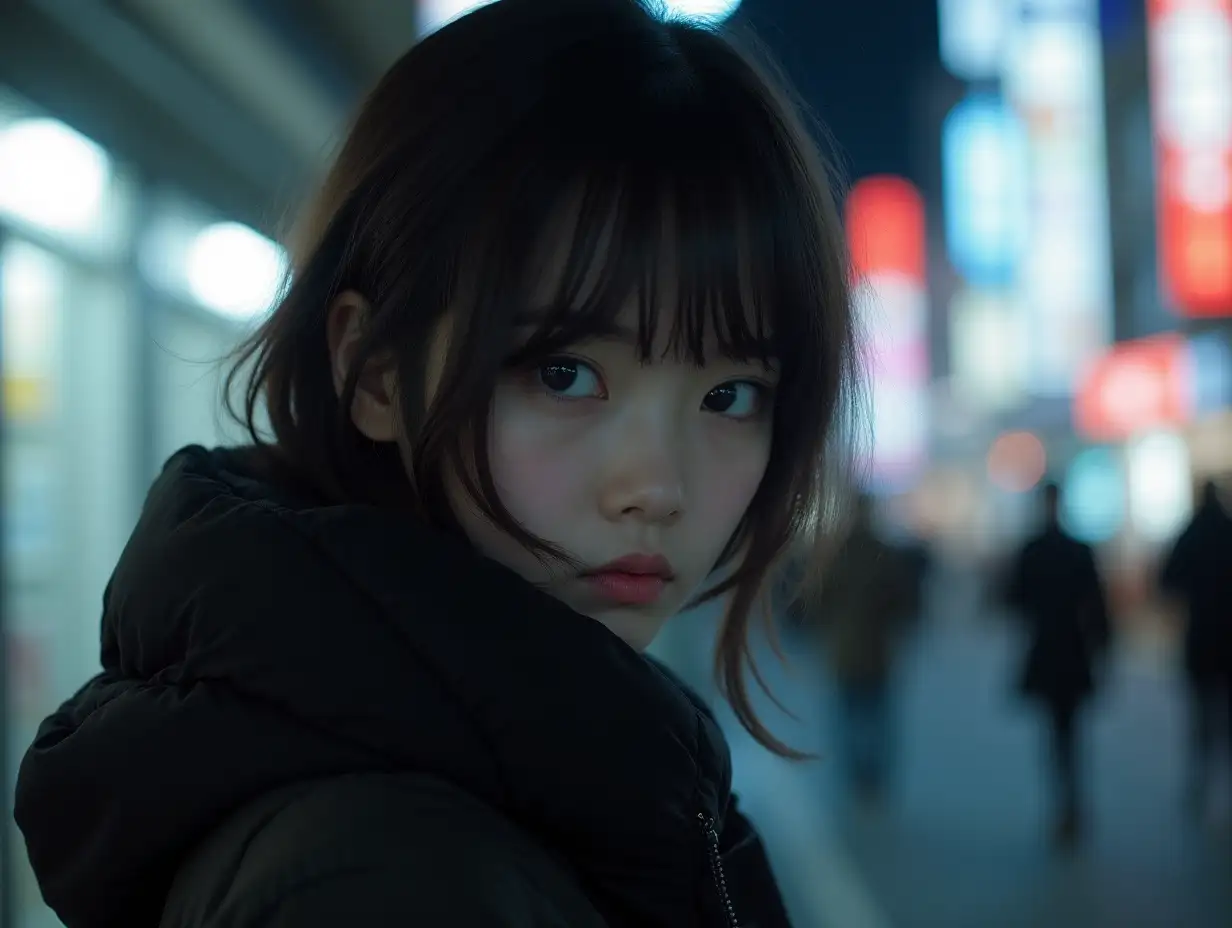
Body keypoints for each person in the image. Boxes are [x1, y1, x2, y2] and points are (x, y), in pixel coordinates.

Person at [14, 1, 860, 926]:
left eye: (730, 396)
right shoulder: (393, 879)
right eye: (566, 374)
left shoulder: (555, 767)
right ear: (374, 370)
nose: (657, 488)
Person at [1006, 481, 1111, 849]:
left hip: (1048, 651)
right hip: (1073, 651)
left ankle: (1064, 805)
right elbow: (1098, 607)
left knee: (1057, 732)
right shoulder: (1078, 550)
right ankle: (1070, 803)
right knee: (1069, 732)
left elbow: (1013, 600)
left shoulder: (1032, 551)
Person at [802, 494, 916, 806]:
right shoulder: (883, 554)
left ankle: (857, 775)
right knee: (875, 715)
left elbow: (816, 603)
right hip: (876, 648)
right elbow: (903, 602)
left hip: (845, 648)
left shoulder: (835, 554)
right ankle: (872, 776)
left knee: (850, 714)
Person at [1159, 479, 1232, 818]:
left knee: (1201, 715)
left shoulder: (1189, 534)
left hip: (1201, 638)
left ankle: (1200, 784)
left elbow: (1168, 581)